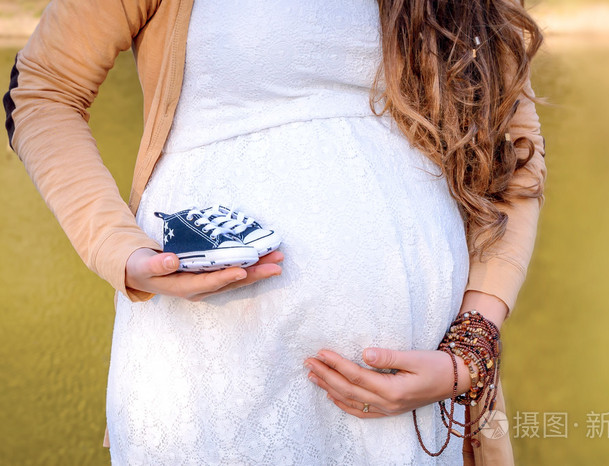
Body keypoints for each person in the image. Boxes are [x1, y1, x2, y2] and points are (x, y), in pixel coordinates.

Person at [3, 0, 545, 464]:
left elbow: (514, 150)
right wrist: (119, 249)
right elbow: (43, 92)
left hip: (419, 398)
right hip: (210, 385)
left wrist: (471, 347)